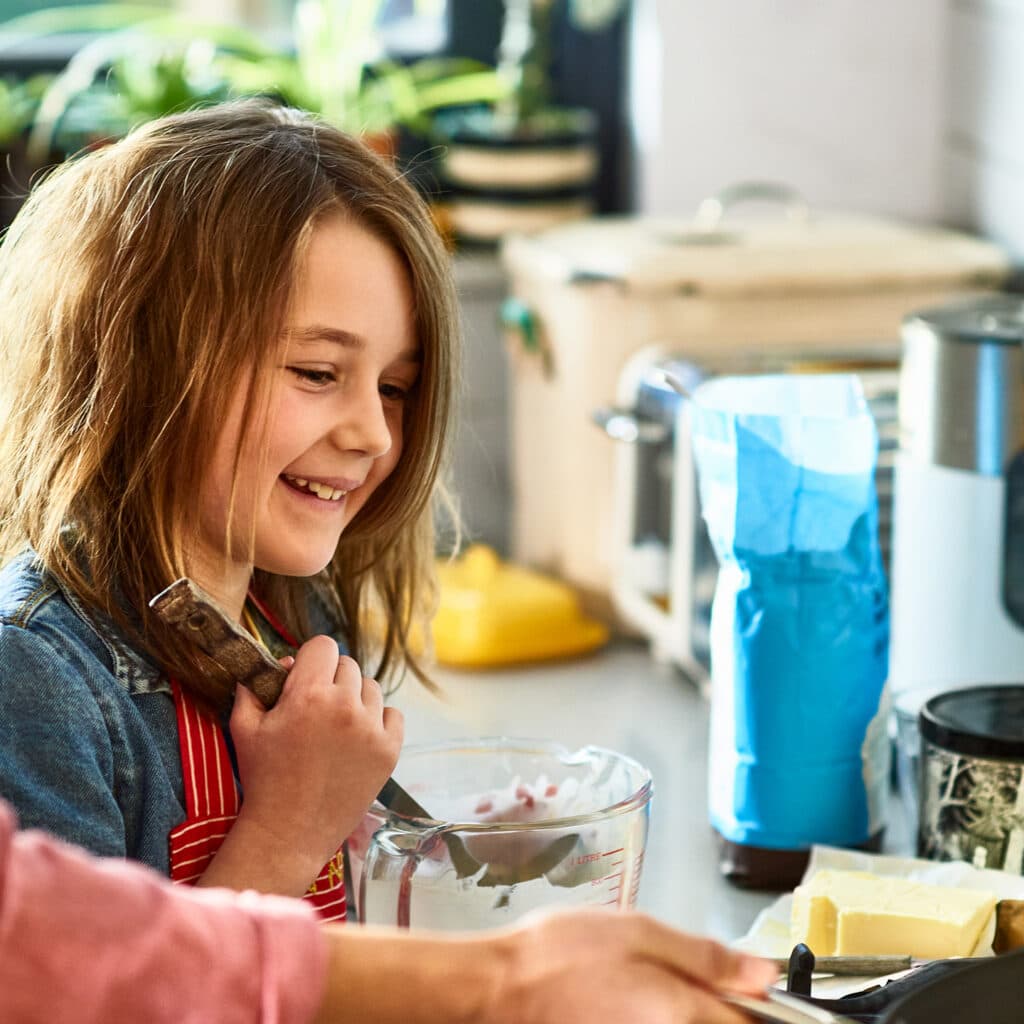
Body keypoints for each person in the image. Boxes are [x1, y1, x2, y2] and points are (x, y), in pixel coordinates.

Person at [0, 98, 458, 919]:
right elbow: (82, 986)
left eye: (394, 388)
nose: (374, 434)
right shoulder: (33, 678)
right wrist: (288, 829)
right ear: (140, 363)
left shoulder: (299, 615)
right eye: (317, 373)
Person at [0, 797, 778, 1023]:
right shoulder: (37, 666)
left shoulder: (304, 614)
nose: (372, 454)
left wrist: (507, 980)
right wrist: (508, 981)